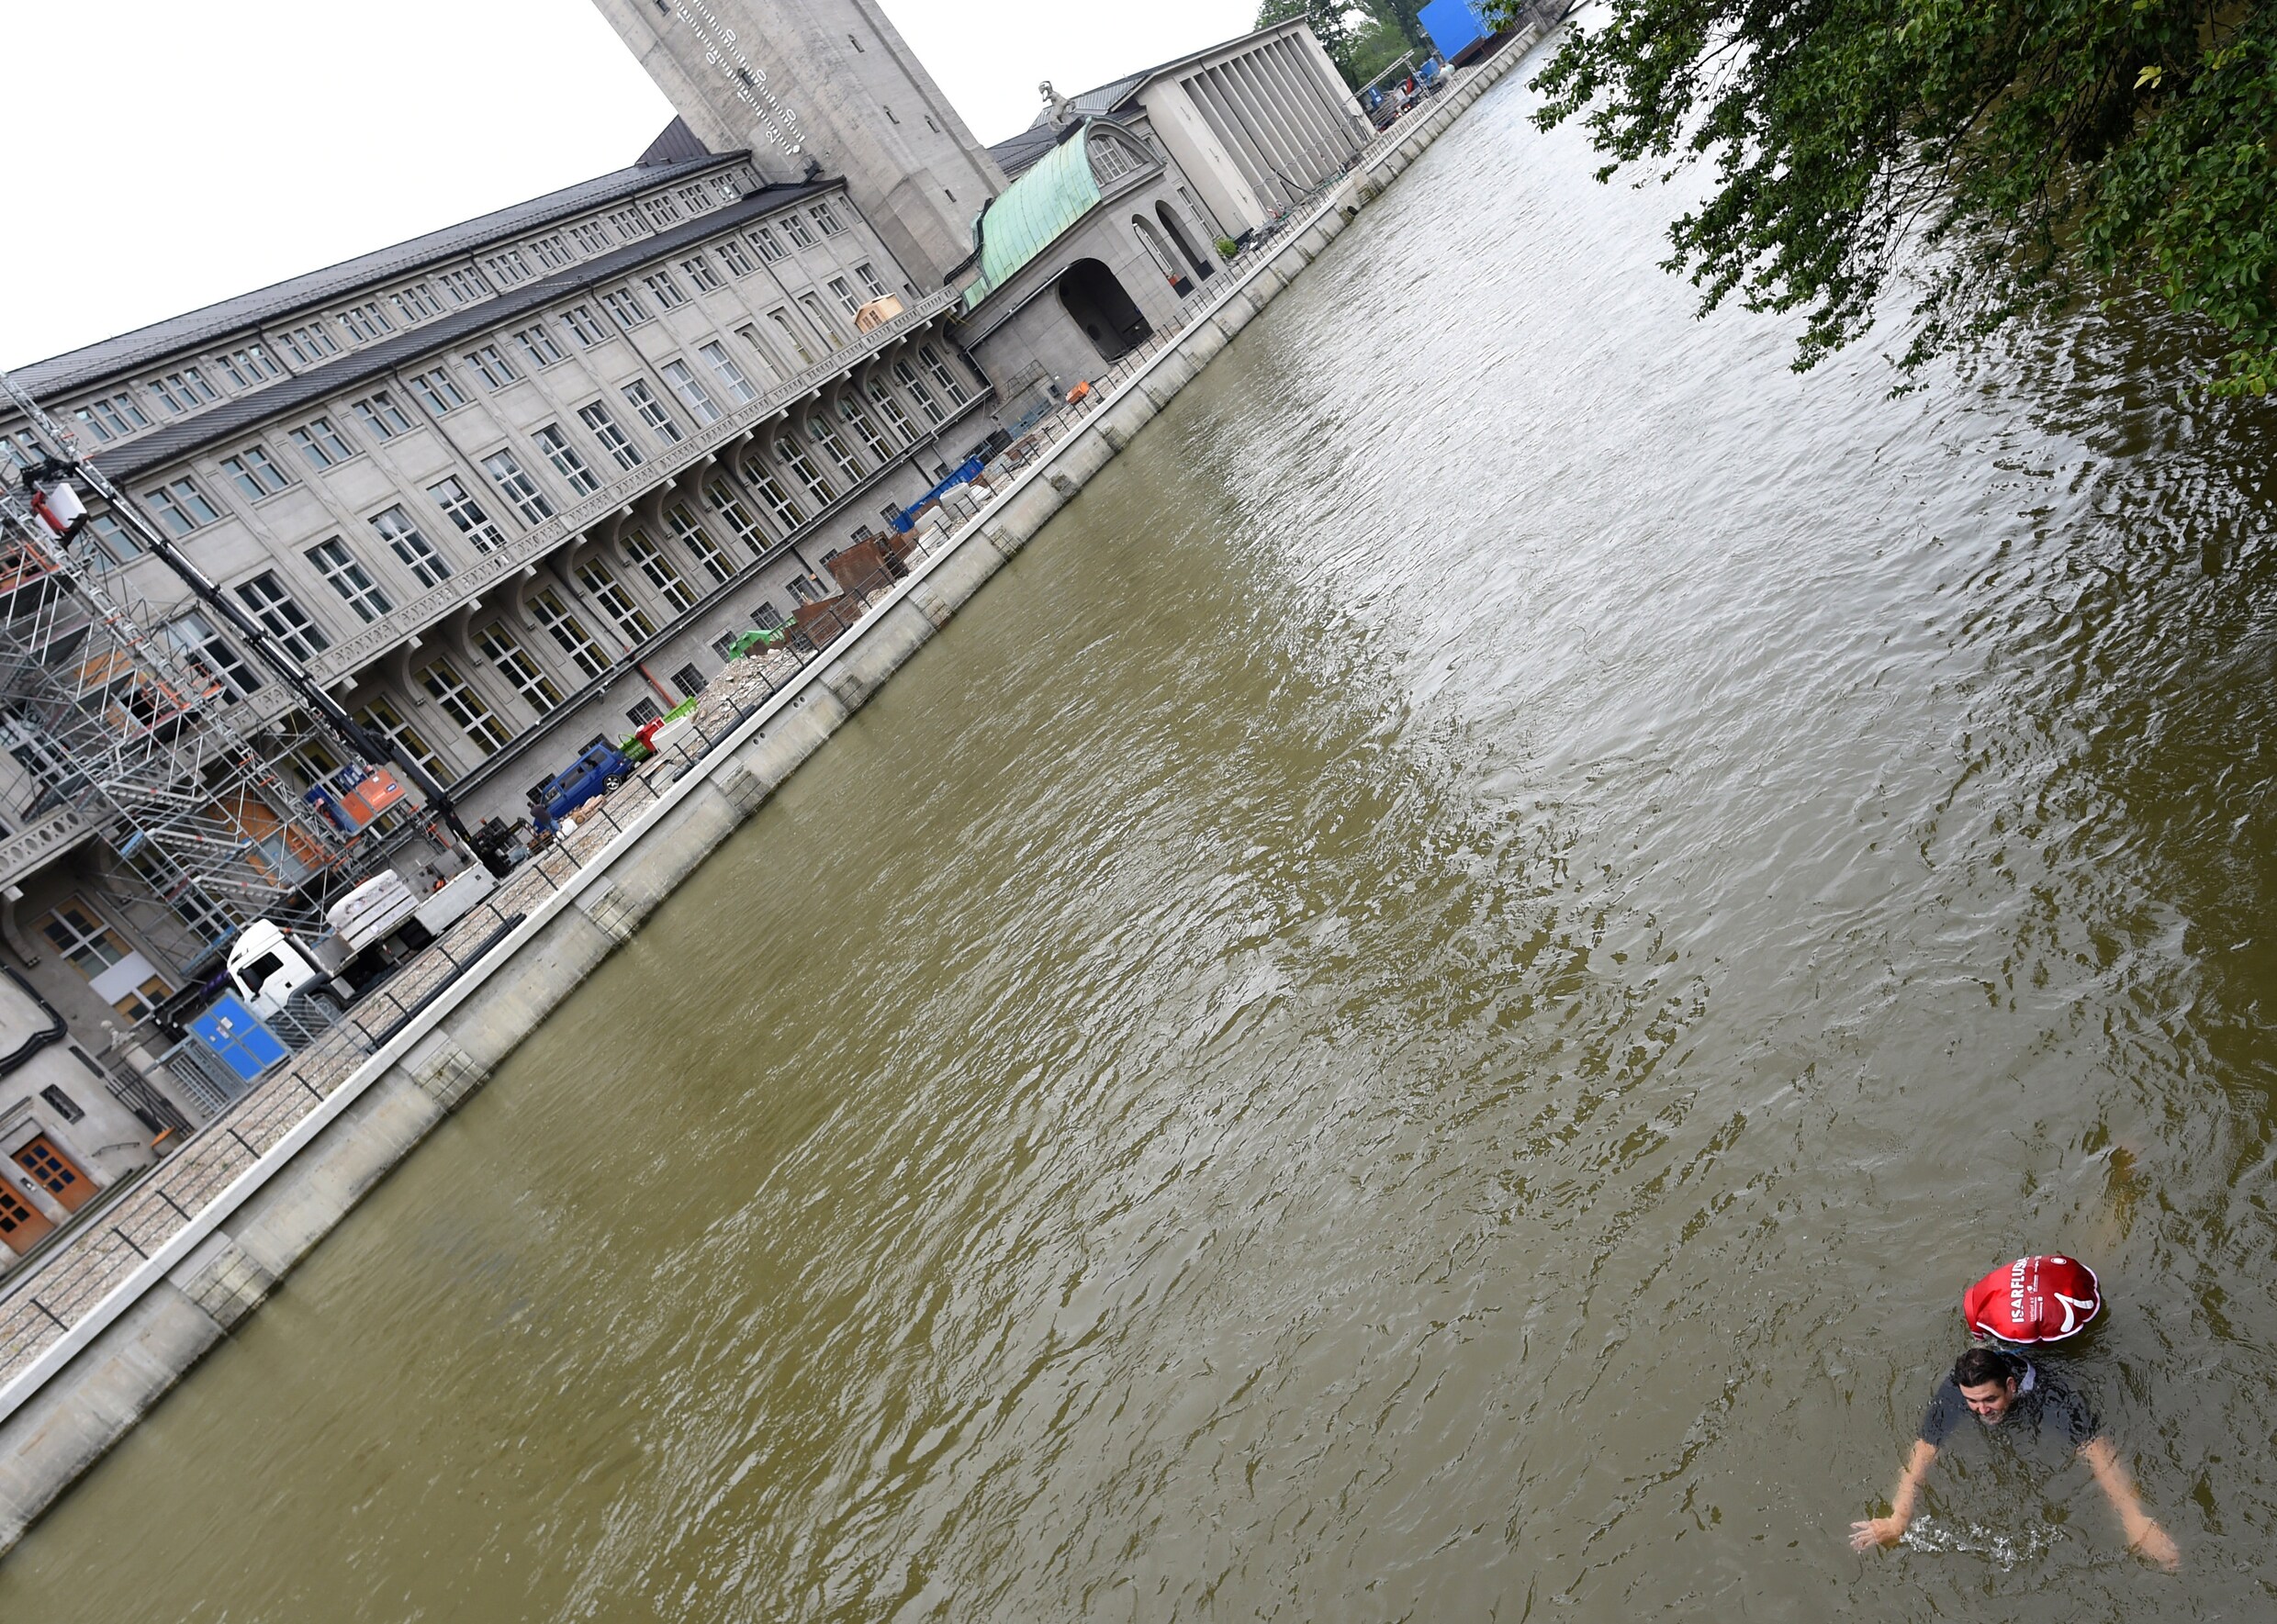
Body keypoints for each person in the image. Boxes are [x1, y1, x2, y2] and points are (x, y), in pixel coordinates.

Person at [1850, 1347, 2179, 1570]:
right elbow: (1923, 1452)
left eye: (1990, 1399)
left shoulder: (2051, 1395)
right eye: (1972, 1402)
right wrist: (1899, 1517)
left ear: (2010, 1386)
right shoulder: (1956, 1391)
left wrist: (2135, 1519)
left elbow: (2099, 1453)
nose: (1981, 1410)